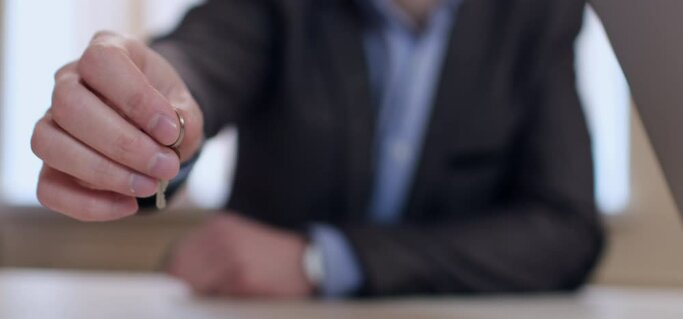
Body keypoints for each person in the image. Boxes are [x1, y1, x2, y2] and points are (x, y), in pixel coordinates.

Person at [30, 0, 605, 298]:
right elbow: (202, 59)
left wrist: (323, 261)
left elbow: (565, 228)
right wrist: (155, 111)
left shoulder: (539, 13)